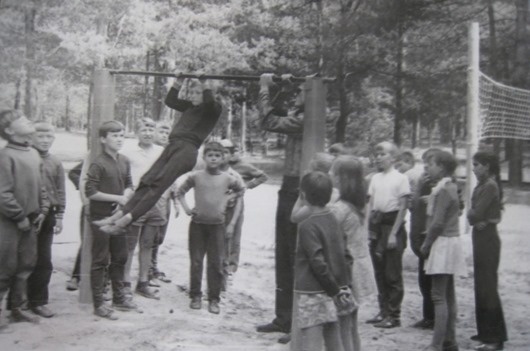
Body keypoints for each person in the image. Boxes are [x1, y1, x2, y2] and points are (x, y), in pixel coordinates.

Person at [95, 76, 223, 233]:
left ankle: (125, 222)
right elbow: (170, 101)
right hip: (173, 147)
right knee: (147, 180)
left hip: (186, 151)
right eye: (191, 92)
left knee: (158, 185)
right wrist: (179, 81)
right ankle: (117, 216)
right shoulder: (191, 107)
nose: (193, 96)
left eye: (198, 93)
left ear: (207, 93)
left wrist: (205, 83)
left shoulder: (214, 109)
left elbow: (209, 102)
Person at [255, 73, 305, 342]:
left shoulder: (307, 117)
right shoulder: (302, 113)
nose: (295, 95)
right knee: (284, 254)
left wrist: (264, 88)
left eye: (299, 91)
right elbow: (283, 112)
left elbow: (268, 120)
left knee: (294, 254)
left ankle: (296, 322)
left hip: (299, 187)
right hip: (290, 184)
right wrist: (284, 88)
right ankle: (285, 318)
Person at [175, 141, 244, 314]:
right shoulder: (196, 176)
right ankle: (196, 295)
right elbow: (180, 192)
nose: (213, 159)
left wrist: (228, 199)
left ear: (222, 158)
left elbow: (241, 190)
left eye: (217, 156)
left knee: (216, 263)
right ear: (204, 157)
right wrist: (187, 209)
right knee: (196, 261)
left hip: (217, 227)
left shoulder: (228, 178)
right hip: (198, 225)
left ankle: (214, 299)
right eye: (210, 155)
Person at [289, 171, 354, 351]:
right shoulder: (333, 219)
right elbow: (346, 254)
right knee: (333, 336)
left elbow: (317, 262)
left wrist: (334, 289)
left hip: (313, 290)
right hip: (336, 287)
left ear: (303, 196)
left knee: (311, 339)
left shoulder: (307, 225)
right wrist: (342, 286)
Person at [85, 120, 137, 320]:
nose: (119, 139)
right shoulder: (98, 162)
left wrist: (124, 197)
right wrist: (117, 198)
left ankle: (119, 298)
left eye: (122, 135)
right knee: (100, 260)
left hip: (119, 217)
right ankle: (99, 303)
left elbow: (130, 184)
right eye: (114, 135)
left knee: (120, 257)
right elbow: (90, 192)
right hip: (100, 217)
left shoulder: (124, 160)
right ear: (103, 139)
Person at [0, 110, 48, 326]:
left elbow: (42, 186)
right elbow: (3, 193)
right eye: (20, 119)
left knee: (26, 264)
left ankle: (17, 309)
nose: (27, 119)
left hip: (31, 220)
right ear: (9, 131)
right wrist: (18, 216)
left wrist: (42, 210)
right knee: (5, 267)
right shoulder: (5, 156)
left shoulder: (33, 153)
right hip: (9, 223)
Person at [329, 155, 376, 351]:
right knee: (351, 324)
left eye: (333, 171)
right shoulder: (359, 204)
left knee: (342, 325)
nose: (330, 174)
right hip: (359, 265)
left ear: (341, 178)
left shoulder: (339, 209)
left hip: (345, 271)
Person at [120, 117, 170, 299]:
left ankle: (143, 282)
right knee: (130, 244)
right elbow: (122, 175)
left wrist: (164, 195)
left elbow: (168, 175)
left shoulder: (161, 151)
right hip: (136, 202)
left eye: (151, 130)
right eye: (144, 130)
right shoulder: (127, 150)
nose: (148, 133)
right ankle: (124, 282)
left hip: (156, 202)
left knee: (148, 243)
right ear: (136, 132)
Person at [419, 151, 464, 351]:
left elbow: (437, 223)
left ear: (443, 167)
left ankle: (437, 344)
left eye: (432, 164)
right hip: (450, 240)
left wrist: (427, 243)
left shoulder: (444, 189)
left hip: (443, 242)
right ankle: (450, 340)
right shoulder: (449, 187)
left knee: (438, 295)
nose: (428, 167)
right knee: (448, 294)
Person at [366, 141, 410, 328]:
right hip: (377, 225)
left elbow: (403, 207)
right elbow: (371, 203)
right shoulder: (375, 178)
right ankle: (383, 310)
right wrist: (368, 229)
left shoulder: (400, 178)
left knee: (392, 273)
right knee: (379, 271)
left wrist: (393, 234)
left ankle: (394, 314)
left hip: (392, 226)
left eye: (382, 154)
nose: (378, 158)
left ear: (393, 157)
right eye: (376, 154)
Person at [467, 151, 507, 351]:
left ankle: (495, 338)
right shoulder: (482, 185)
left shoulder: (490, 186)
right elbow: (475, 215)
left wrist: (477, 216)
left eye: (477, 165)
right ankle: (485, 331)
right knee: (481, 286)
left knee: (488, 287)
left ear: (487, 166)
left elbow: (475, 213)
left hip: (488, 238)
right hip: (480, 236)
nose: (474, 168)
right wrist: (475, 216)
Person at [26, 121, 66, 318]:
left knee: (44, 259)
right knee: (22, 259)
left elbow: (60, 190)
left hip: (48, 215)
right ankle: (19, 301)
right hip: (26, 215)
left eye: (48, 136)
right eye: (40, 136)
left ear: (53, 138)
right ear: (31, 137)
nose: (44, 140)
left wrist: (59, 216)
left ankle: (38, 301)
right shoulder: (25, 158)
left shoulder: (56, 162)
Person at [224, 139, 269, 274]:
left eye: (235, 151)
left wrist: (247, 186)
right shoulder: (221, 165)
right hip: (220, 202)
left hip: (237, 203)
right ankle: (222, 262)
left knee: (235, 234)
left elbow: (263, 176)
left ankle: (232, 265)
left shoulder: (245, 166)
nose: (232, 155)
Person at [409, 148, 441, 330]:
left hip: (432, 238)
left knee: (433, 280)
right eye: (425, 164)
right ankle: (429, 316)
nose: (425, 168)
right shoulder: (423, 181)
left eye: (429, 164)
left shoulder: (441, 185)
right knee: (423, 279)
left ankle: (435, 317)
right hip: (421, 237)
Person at [150, 120, 177, 284]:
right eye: (161, 131)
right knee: (147, 236)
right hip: (150, 199)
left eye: (167, 133)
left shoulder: (169, 152)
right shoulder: (149, 152)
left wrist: (175, 200)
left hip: (165, 200)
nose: (164, 135)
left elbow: (173, 177)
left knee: (159, 236)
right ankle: (147, 270)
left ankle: (153, 267)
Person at [218, 139, 246, 290]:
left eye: (226, 152)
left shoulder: (234, 175)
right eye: (220, 151)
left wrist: (233, 223)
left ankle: (228, 274)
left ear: (231, 154)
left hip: (231, 212)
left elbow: (240, 198)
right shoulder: (211, 172)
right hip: (215, 214)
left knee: (231, 242)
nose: (222, 155)